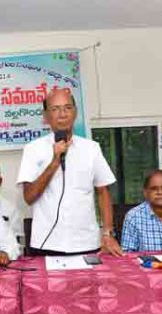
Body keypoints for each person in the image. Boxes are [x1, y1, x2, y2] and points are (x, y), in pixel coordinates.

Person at [17, 88, 122, 256]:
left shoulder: (92, 149)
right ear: (46, 116)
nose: (62, 114)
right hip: (47, 243)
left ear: (75, 113)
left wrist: (107, 233)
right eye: (55, 109)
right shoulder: (33, 150)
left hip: (87, 242)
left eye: (67, 108)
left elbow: (103, 191)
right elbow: (29, 197)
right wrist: (54, 162)